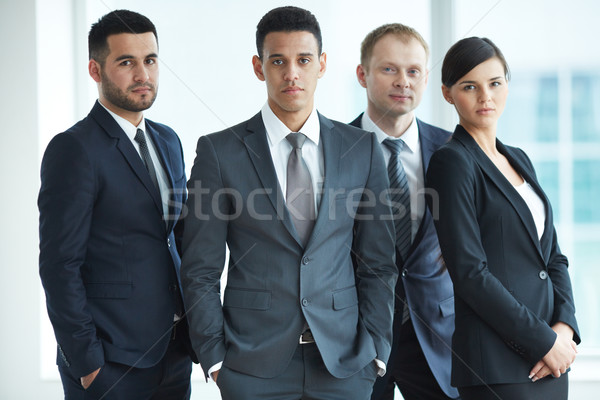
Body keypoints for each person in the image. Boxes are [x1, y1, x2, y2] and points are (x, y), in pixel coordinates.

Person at [181, 6, 397, 400]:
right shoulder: (219, 152)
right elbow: (200, 269)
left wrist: (377, 350)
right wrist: (214, 359)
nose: (291, 73)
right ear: (258, 67)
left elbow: (379, 262)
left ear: (322, 64)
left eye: (303, 60)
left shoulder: (361, 149)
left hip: (345, 367)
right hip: (251, 367)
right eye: (277, 61)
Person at [38, 9, 195, 400]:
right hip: (110, 361)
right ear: (96, 70)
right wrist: (87, 362)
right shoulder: (74, 149)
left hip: (173, 351)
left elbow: (175, 236)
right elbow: (59, 264)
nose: (143, 74)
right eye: (127, 62)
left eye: (150, 60)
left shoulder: (168, 140)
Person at [426, 36, 580, 400]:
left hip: (551, 358)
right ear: (448, 94)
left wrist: (565, 327)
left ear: (507, 84)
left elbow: (552, 256)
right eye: (470, 87)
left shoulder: (519, 159)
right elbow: (469, 274)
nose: (485, 97)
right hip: (498, 365)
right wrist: (542, 341)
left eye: (495, 83)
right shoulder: (451, 163)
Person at [351, 23, 458, 400]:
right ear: (363, 74)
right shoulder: (333, 149)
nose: (403, 81)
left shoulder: (453, 151)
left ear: (426, 78)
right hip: (357, 340)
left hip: (437, 337)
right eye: (389, 69)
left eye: (413, 71)